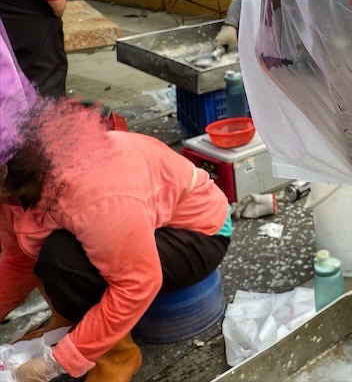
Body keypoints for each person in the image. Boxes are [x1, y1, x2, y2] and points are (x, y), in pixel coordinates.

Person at [0, 100, 233, 381]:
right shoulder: (17, 187)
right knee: (50, 252)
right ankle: (73, 326)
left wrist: (57, 362)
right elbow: (19, 260)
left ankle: (115, 357)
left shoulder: (93, 194)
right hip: (128, 227)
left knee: (63, 258)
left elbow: (137, 284)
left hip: (198, 233)